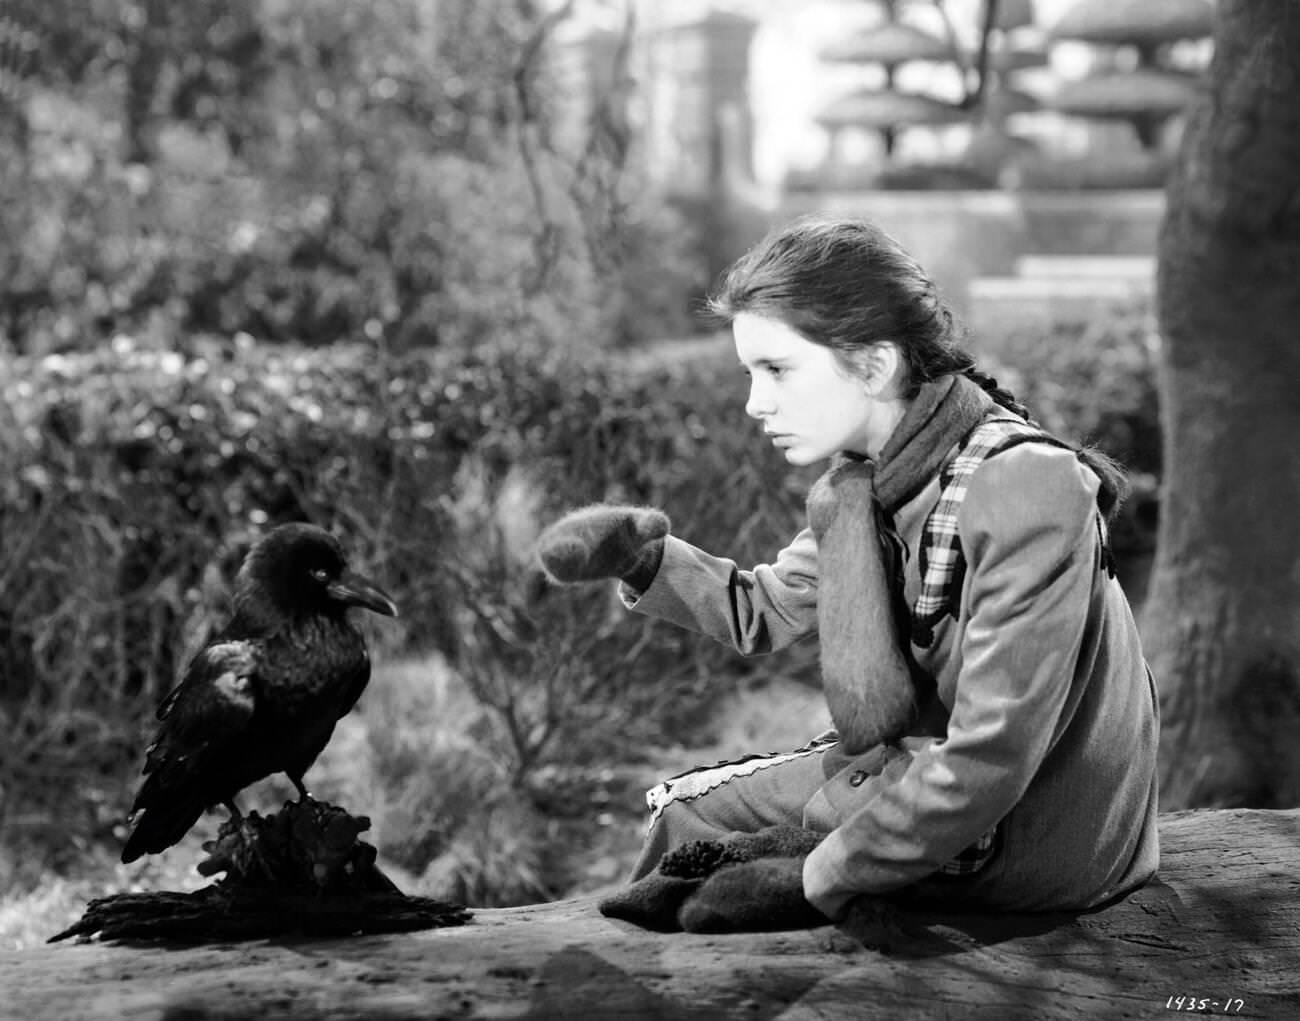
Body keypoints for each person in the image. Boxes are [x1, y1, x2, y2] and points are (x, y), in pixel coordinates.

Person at [531, 215, 1160, 934]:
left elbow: (996, 752)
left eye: (777, 370)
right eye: (749, 372)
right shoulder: (867, 483)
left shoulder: (1024, 486)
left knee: (729, 881)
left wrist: (812, 875)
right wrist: (643, 558)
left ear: (873, 363)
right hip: (922, 770)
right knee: (685, 817)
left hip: (1033, 835)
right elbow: (761, 609)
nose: (754, 403)